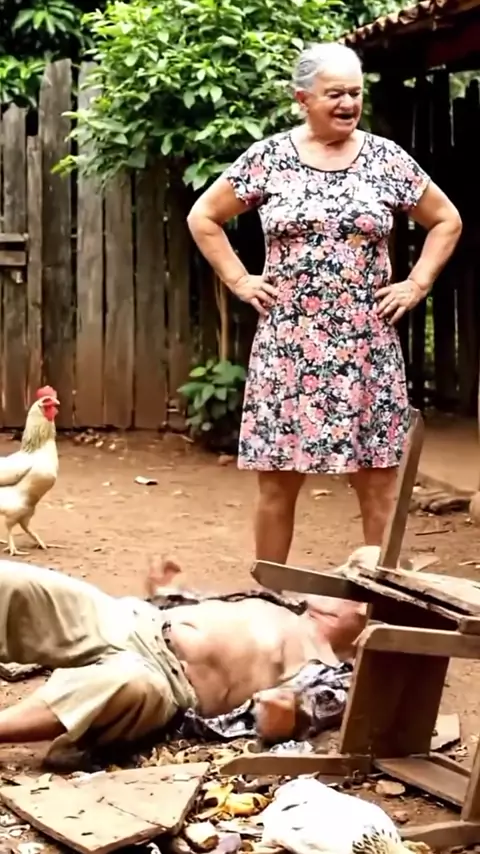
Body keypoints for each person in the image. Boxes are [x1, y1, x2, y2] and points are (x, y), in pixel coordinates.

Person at [187, 42, 462, 564]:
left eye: (355, 93)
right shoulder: (269, 159)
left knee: (378, 482)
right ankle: (271, 595)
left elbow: (446, 219)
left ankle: (385, 598)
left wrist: (417, 283)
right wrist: (239, 279)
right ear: (303, 99)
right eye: (335, 93)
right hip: (289, 343)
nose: (348, 103)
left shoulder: (386, 159)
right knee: (277, 482)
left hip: (366, 342)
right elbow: (204, 216)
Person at [0, 550, 371, 757]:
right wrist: (171, 591)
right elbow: (207, 610)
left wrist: (282, 716)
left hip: (166, 683)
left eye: (347, 577)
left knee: (125, 682)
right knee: (18, 584)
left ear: (366, 609)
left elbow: (289, 721)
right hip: (135, 621)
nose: (333, 576)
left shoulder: (333, 673)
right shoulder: (278, 603)